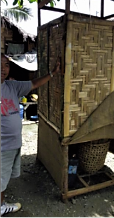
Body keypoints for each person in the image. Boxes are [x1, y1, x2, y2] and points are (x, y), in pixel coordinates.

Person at [1, 53, 60, 215]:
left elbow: (34, 83)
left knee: (4, 176)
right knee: (1, 178)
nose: (3, 68)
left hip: (13, 144)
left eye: (6, 65)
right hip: (2, 146)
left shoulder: (12, 86)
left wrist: (52, 73)